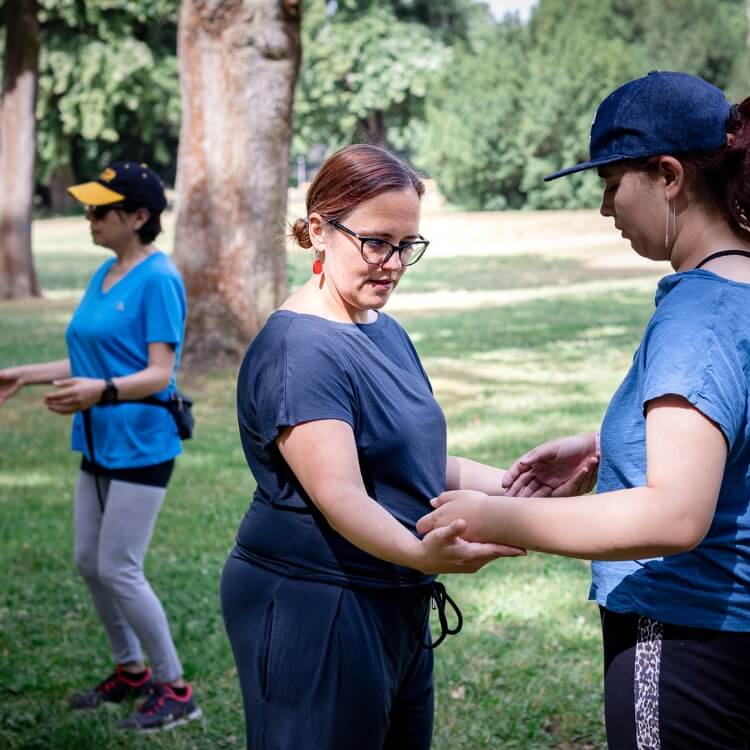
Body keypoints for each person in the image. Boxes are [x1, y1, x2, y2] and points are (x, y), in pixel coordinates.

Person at [417, 71, 750, 749]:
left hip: (688, 642)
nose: (604, 210)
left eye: (610, 184)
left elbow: (674, 514)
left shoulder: (700, 314)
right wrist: (605, 442)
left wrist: (496, 515)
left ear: (667, 175)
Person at [220, 144, 559, 750]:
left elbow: (410, 458)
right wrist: (421, 554)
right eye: (377, 242)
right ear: (320, 231)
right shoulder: (301, 350)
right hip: (317, 602)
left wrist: (518, 485)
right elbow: (343, 495)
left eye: (408, 246)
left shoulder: (384, 329)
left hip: (390, 593)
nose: (394, 263)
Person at [0, 162, 200, 732]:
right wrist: (25, 374)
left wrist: (104, 392)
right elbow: (93, 363)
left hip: (141, 440)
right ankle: (130, 671)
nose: (88, 217)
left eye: (99, 210)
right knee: (90, 562)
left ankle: (175, 688)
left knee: (120, 566)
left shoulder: (159, 279)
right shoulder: (107, 273)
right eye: (89, 208)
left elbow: (159, 373)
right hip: (99, 437)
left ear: (138, 217)